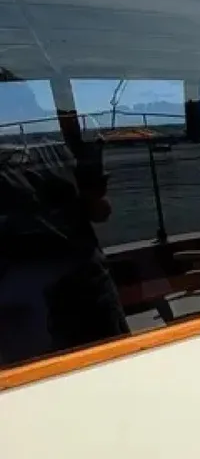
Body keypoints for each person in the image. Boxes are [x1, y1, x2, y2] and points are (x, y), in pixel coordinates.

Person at [0, 134, 129, 367]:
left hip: (65, 293)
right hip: (87, 283)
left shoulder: (56, 147)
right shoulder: (57, 145)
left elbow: (99, 211)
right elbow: (100, 212)